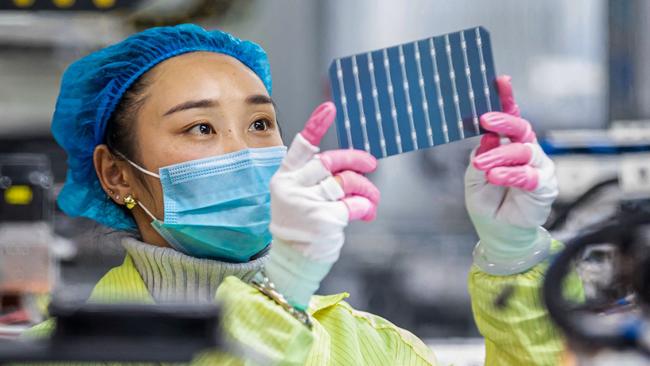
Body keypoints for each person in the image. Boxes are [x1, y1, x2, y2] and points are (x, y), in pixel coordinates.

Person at [24, 24, 582, 365]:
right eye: (200, 129)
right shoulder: (57, 352)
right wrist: (279, 288)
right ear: (116, 174)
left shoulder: (378, 350)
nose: (243, 152)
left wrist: (517, 255)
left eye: (262, 124)